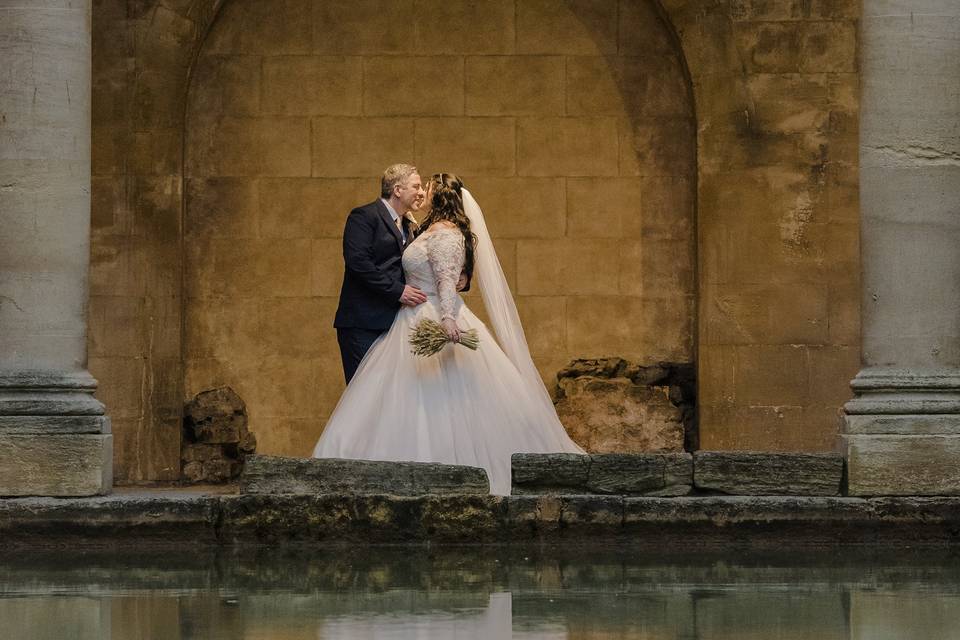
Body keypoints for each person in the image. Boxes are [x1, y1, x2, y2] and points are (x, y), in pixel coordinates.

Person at [314, 173, 585, 495]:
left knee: (440, 397)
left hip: (431, 313)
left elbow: (445, 278)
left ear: (438, 196)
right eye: (416, 186)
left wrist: (446, 317)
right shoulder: (415, 226)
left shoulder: (442, 232)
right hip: (405, 317)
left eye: (424, 187)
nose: (420, 192)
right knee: (400, 395)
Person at [333, 164, 427, 384]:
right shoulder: (364, 216)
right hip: (363, 324)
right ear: (397, 190)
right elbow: (358, 262)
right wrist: (398, 291)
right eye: (416, 186)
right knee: (364, 394)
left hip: (395, 324)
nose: (421, 192)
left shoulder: (410, 224)